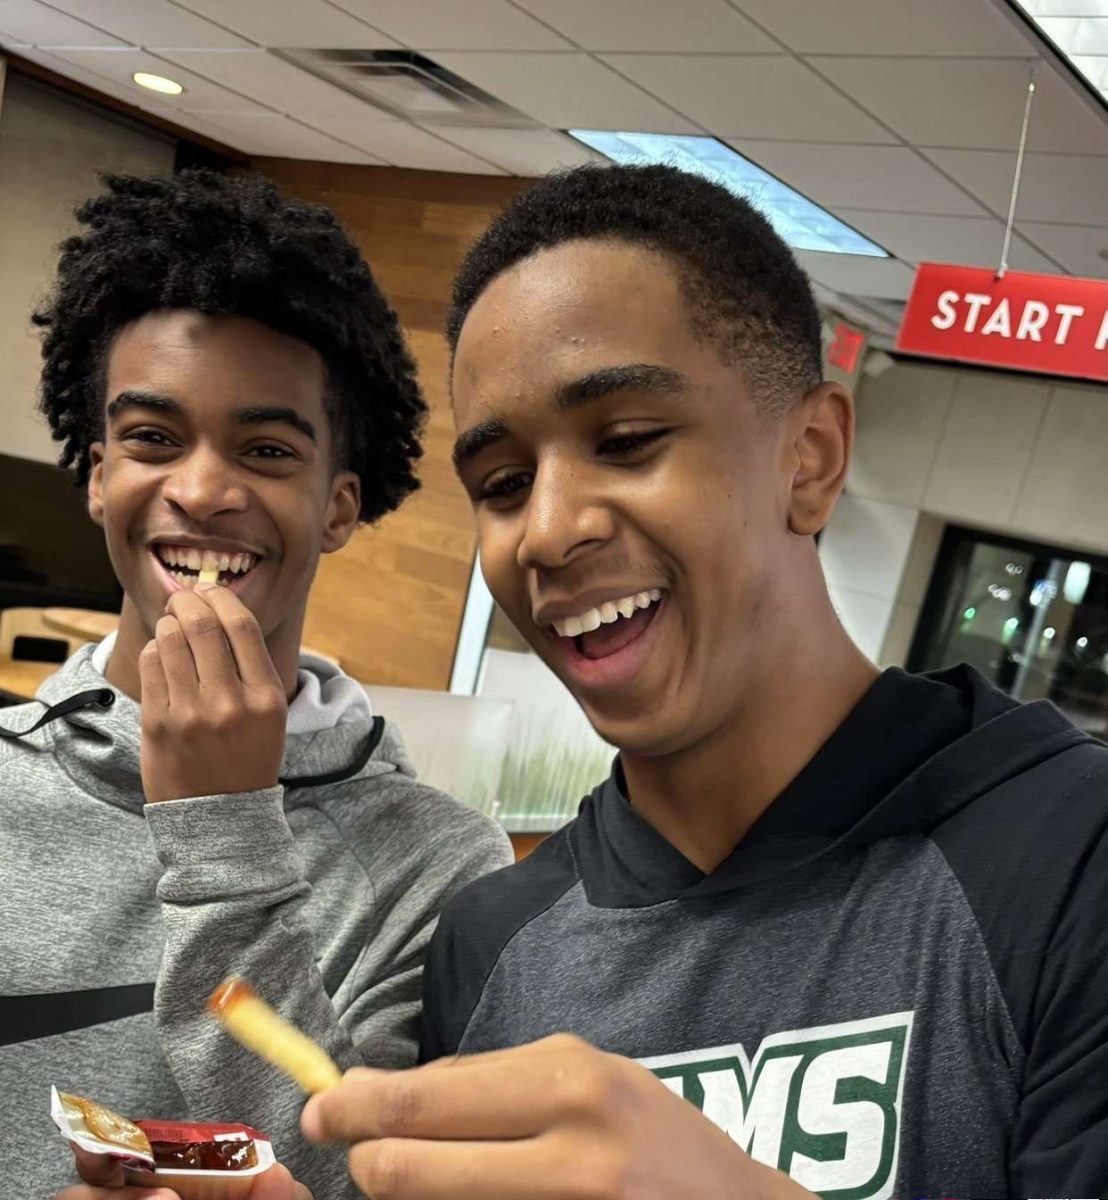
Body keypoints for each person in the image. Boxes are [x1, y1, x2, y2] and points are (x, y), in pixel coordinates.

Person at [302, 164, 1108, 1198]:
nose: (547, 530)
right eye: (502, 486)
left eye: (628, 441)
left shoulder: (1066, 855)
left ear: (808, 458)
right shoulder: (489, 939)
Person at [0, 169, 511, 1198]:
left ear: (338, 505)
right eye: (151, 438)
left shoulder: (439, 864)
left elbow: (353, 1178)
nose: (200, 490)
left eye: (267, 449)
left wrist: (221, 826)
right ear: (98, 475)